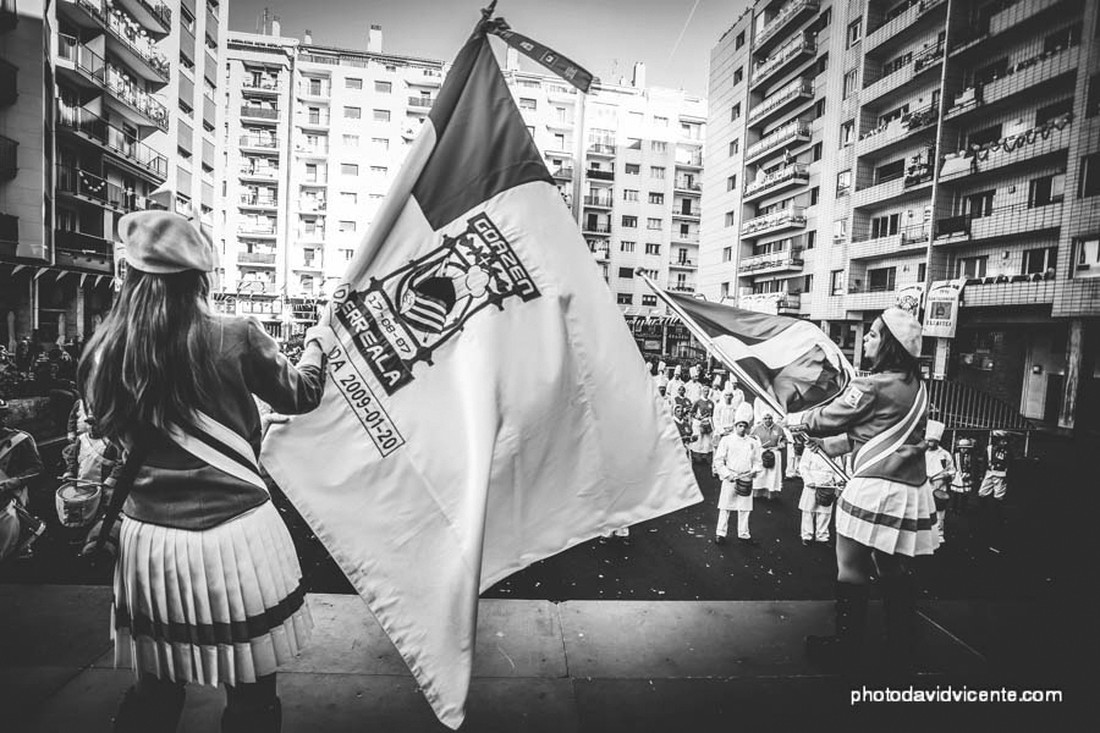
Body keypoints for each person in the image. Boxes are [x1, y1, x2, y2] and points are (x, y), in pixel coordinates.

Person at [77, 210, 330, 733]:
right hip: (238, 537)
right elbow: (303, 393)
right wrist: (318, 342)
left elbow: (107, 435)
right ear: (201, 276)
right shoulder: (237, 334)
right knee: (252, 691)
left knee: (156, 688)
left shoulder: (105, 349)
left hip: (151, 541)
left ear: (132, 277)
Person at [787, 307, 938, 676]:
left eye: (872, 334)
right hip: (910, 491)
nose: (866, 339)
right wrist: (834, 446)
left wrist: (795, 419)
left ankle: (845, 646)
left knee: (850, 567)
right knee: (892, 571)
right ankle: (902, 645)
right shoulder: (916, 387)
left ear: (890, 344)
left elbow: (828, 417)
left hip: (872, 490)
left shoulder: (870, 385)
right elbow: (873, 434)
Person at [0, 398, 45, 562]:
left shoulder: (21, 440)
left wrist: (9, 483)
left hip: (11, 499)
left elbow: (37, 469)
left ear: (3, 418)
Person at [712, 403, 761, 545]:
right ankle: (720, 532)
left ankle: (744, 533)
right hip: (731, 477)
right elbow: (719, 460)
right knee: (725, 506)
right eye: (740, 425)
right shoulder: (726, 440)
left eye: (745, 426)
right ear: (735, 426)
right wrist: (727, 474)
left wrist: (754, 472)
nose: (743, 428)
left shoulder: (752, 442)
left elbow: (758, 462)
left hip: (746, 477)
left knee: (744, 508)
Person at [798, 443, 842, 546]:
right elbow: (803, 466)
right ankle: (806, 535)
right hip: (813, 481)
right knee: (808, 509)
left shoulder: (835, 449)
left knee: (825, 511)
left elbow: (838, 468)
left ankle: (822, 535)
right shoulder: (810, 449)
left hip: (828, 482)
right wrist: (809, 480)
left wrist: (839, 480)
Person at [923, 420, 955, 545]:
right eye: (927, 440)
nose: (928, 443)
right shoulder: (923, 453)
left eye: (931, 441)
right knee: (923, 509)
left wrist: (944, 475)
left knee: (939, 510)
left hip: (939, 485)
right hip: (924, 483)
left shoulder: (944, 454)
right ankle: (923, 533)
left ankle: (939, 534)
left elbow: (952, 470)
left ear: (937, 441)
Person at [751, 409, 785, 501]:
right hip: (761, 452)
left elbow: (784, 440)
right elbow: (751, 440)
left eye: (769, 418)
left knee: (772, 474)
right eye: (765, 418)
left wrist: (781, 445)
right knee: (760, 473)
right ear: (762, 419)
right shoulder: (757, 428)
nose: (768, 420)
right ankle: (758, 492)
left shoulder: (778, 428)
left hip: (774, 452)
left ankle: (770, 493)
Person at [689, 386, 716, 464]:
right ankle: (696, 456)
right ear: (702, 391)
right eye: (704, 391)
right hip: (698, 422)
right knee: (699, 439)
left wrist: (713, 426)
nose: (706, 392)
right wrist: (697, 416)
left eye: (707, 391)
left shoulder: (711, 403)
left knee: (707, 440)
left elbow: (712, 415)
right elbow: (692, 412)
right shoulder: (697, 401)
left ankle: (705, 456)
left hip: (707, 422)